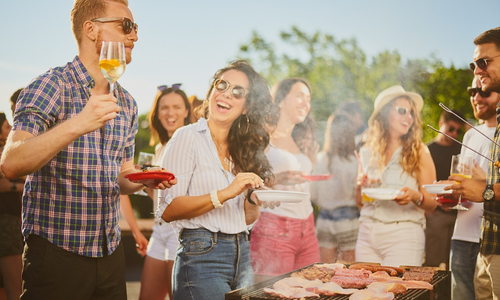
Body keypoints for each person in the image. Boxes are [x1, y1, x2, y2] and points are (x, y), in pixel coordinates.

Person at [0, 1, 176, 299]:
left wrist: (141, 181)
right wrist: (79, 122)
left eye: (135, 28)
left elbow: (121, 175)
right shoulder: (50, 86)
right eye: (126, 26)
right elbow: (11, 163)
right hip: (57, 253)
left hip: (109, 253)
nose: (134, 36)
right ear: (91, 29)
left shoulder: (128, 103)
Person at [157, 60, 274, 300]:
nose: (227, 94)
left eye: (238, 92)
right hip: (201, 258)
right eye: (222, 85)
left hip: (242, 256)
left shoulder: (244, 149)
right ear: (211, 92)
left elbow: (248, 218)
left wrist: (255, 198)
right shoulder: (186, 137)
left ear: (245, 108)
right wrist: (226, 192)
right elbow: (168, 209)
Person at [355, 85, 437, 267]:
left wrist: (415, 197)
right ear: (384, 113)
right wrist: (359, 186)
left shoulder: (420, 151)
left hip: (404, 235)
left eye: (411, 113)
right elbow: (360, 202)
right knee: (364, 292)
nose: (408, 117)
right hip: (367, 233)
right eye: (402, 111)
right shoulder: (368, 150)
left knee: (397, 293)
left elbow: (432, 203)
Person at [250, 77, 320, 283]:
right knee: (272, 294)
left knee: (310, 291)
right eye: (299, 96)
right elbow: (246, 179)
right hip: (273, 226)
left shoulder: (301, 140)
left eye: (308, 98)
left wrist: (310, 165)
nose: (306, 103)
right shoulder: (262, 136)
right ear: (280, 99)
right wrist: (277, 178)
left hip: (307, 226)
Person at [449, 26, 500, 300]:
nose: (477, 71)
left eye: (484, 62)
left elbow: (486, 189)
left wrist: (485, 189)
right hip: (484, 243)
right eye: (474, 64)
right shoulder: (471, 134)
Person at [139, 84, 192, 300]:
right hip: (159, 230)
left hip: (179, 231)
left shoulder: (191, 141)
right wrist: (145, 182)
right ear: (157, 113)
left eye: (177, 107)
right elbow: (160, 198)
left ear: (187, 111)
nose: (170, 113)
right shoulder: (160, 147)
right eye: (164, 107)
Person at [310, 113, 359, 263]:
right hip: (349, 220)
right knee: (349, 272)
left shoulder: (319, 159)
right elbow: (357, 194)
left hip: (324, 221)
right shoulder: (354, 161)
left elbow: (312, 194)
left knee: (326, 271)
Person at [425, 110, 465, 270]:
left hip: (460, 214)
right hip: (437, 214)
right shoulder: (427, 150)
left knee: (456, 266)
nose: (454, 133)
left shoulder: (462, 149)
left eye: (458, 130)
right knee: (433, 264)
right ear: (441, 124)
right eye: (451, 129)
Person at [0, 113, 24, 300]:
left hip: (10, 221)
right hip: (7, 224)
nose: (11, 131)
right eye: (7, 127)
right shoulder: (4, 154)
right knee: (16, 288)